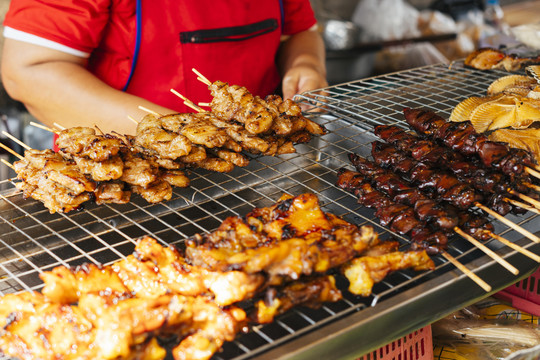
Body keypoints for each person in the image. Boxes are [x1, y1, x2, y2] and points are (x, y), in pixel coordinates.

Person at [1, 0, 328, 137]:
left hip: (258, 168)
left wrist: (306, 64)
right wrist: (184, 135)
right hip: (129, 177)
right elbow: (29, 70)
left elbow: (299, 31)